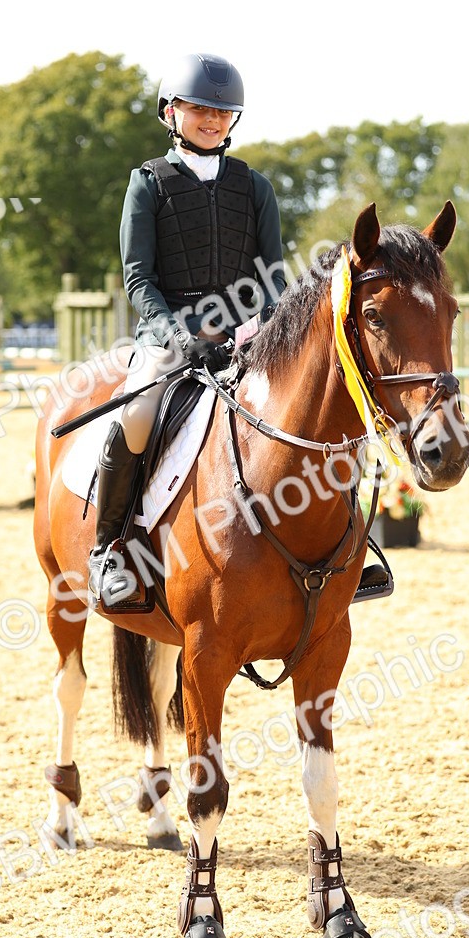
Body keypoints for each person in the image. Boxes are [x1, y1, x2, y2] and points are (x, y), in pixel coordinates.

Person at [88, 52, 286, 607]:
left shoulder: (255, 187)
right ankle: (109, 549)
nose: (212, 120)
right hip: (170, 334)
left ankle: (343, 547)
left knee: (311, 402)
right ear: (171, 112)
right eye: (199, 109)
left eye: (223, 112)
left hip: (245, 336)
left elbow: (272, 275)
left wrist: (264, 329)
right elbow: (137, 276)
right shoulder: (147, 183)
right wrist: (172, 333)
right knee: (136, 414)